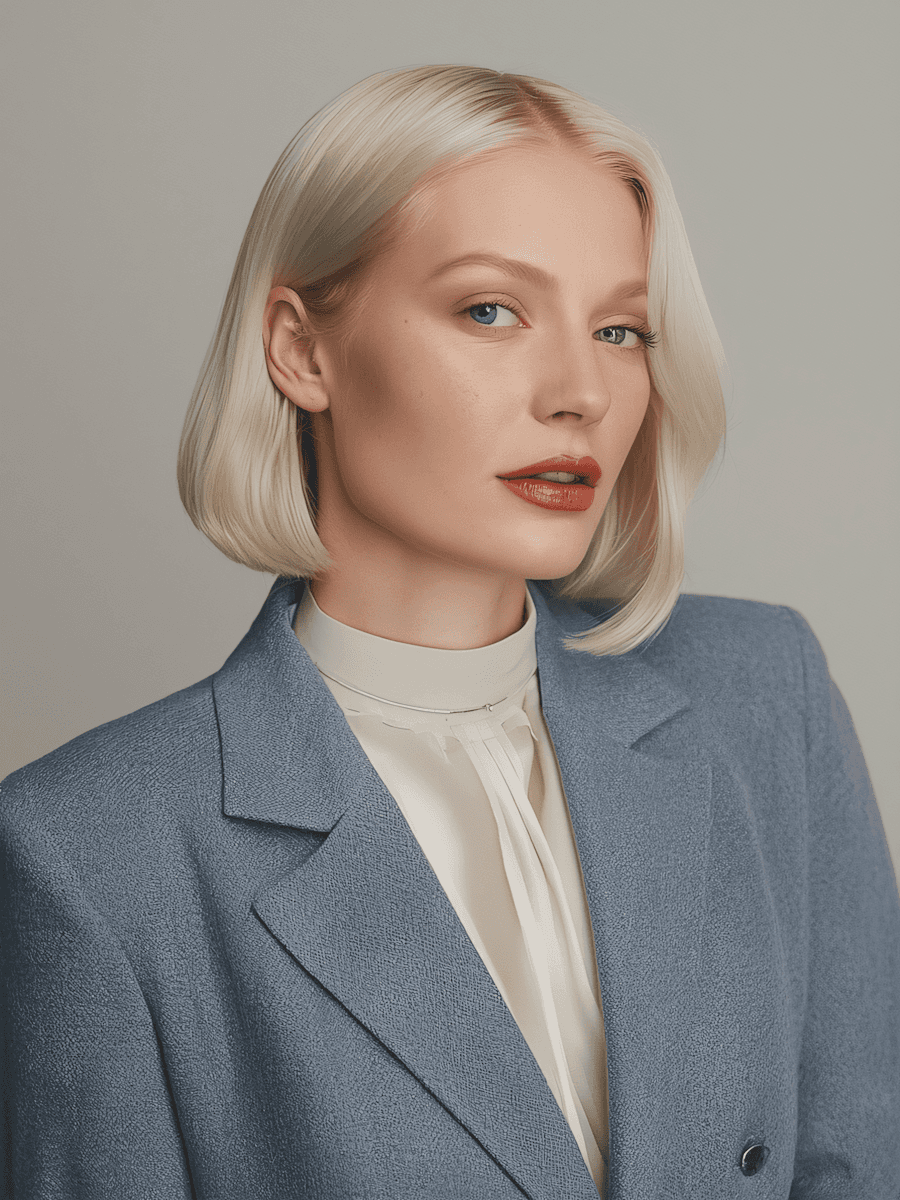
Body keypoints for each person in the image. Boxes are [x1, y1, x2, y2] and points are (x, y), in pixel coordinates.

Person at [2, 65, 898, 1200]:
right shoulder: (89, 855)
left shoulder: (764, 697)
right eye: (491, 309)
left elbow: (863, 1161)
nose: (581, 390)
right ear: (300, 348)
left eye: (621, 328)